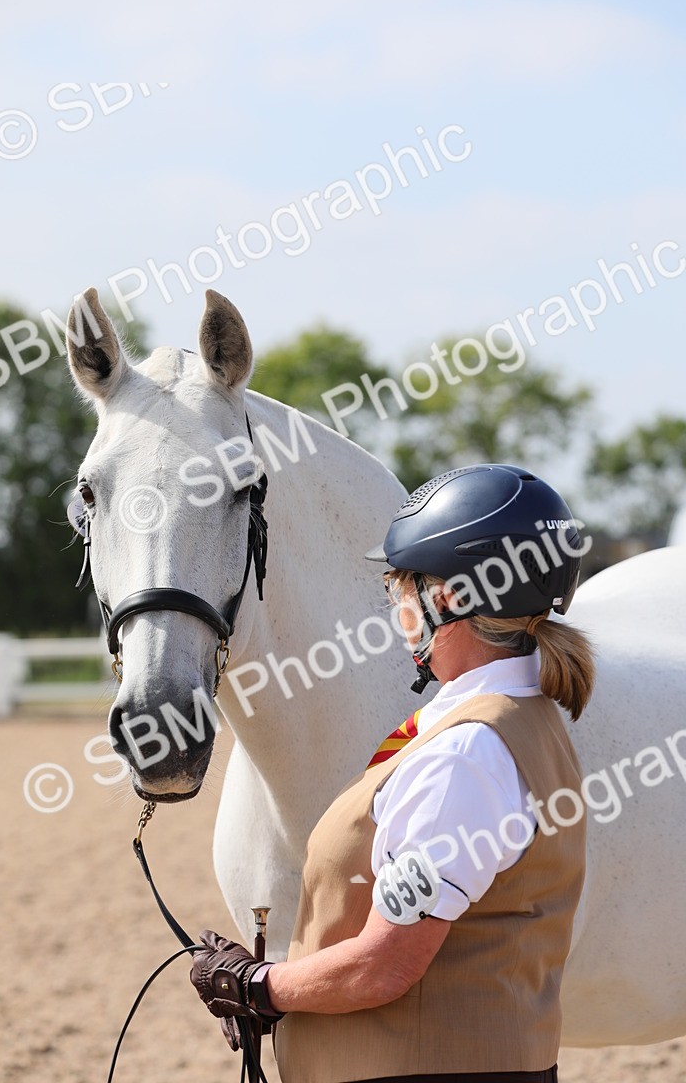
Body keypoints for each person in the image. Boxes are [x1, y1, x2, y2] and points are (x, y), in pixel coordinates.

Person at [191, 463, 595, 1083]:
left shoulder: (463, 756)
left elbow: (385, 966)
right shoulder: (519, 718)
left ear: (451, 597)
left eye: (400, 585)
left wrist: (259, 987)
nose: (394, 603)